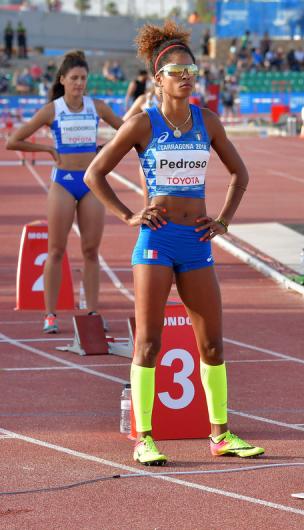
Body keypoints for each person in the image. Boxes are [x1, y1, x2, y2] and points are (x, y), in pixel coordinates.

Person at [84, 21, 263, 466]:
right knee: (149, 342)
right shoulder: (142, 124)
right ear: (158, 79)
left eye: (191, 70)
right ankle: (144, 437)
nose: (186, 76)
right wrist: (128, 215)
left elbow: (240, 174)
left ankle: (220, 434)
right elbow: (94, 174)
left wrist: (223, 220)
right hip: (157, 242)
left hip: (196, 242)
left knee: (213, 344)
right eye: (176, 71)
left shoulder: (208, 121)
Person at [6, 50, 123, 333]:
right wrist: (46, 148)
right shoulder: (53, 110)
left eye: (83, 78)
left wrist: (105, 149)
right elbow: (13, 141)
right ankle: (50, 314)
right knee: (56, 250)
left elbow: (127, 132)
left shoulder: (97, 107)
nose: (79, 83)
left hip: (91, 183)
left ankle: (92, 312)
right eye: (74, 78)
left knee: (91, 251)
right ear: (63, 80)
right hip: (63, 184)